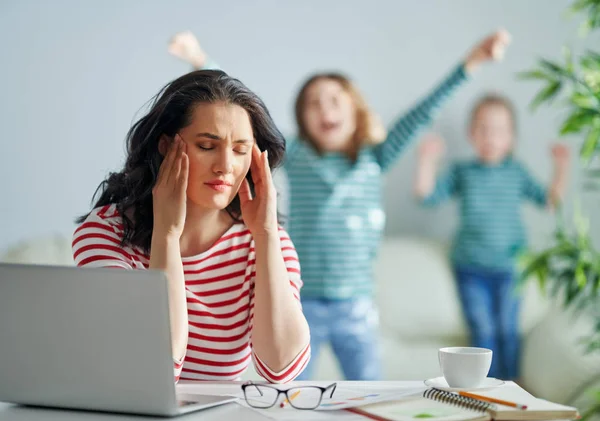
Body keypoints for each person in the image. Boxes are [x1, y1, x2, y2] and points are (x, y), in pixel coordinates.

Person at [168, 29, 510, 380]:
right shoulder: (297, 156)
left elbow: (422, 112)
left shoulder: (375, 157)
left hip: (357, 308)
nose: (324, 108)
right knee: (287, 394)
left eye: (334, 100)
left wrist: (473, 61)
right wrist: (199, 60)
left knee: (370, 393)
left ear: (354, 110)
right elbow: (242, 112)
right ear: (302, 117)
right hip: (305, 305)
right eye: (313, 102)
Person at [72, 69, 311, 383]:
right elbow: (154, 369)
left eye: (240, 150)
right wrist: (167, 237)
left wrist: (266, 236)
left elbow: (282, 368)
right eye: (207, 146)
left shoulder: (265, 240)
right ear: (166, 145)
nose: (225, 166)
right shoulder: (105, 232)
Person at [414, 94, 570, 380]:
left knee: (508, 331)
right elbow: (426, 197)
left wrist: (561, 168)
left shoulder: (516, 172)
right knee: (483, 332)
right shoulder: (463, 171)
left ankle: (509, 388)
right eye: (482, 129)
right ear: (471, 134)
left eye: (499, 130)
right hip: (471, 269)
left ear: (511, 137)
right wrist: (427, 159)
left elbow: (550, 202)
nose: (490, 137)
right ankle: (487, 389)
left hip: (511, 269)